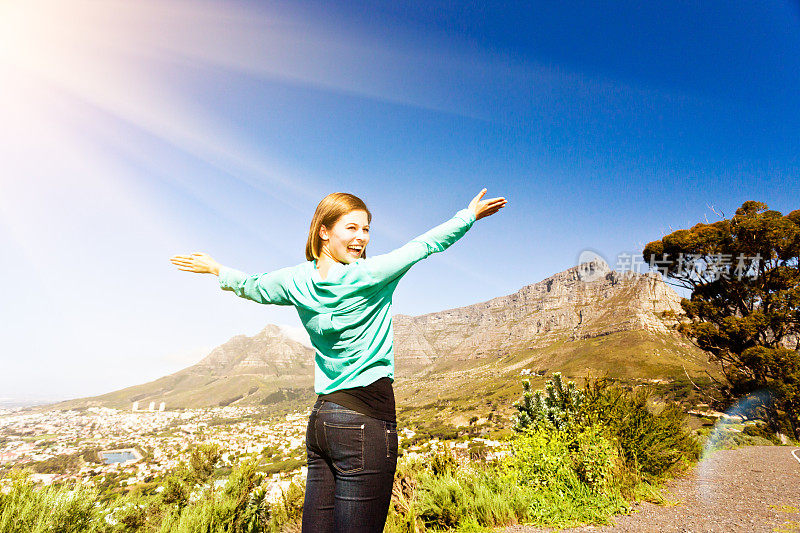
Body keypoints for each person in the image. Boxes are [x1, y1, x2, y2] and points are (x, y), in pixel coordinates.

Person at [169, 188, 506, 532]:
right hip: (365, 421)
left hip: (322, 422)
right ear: (324, 231)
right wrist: (468, 216)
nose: (362, 238)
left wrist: (216, 269)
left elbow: (254, 286)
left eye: (366, 229)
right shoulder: (368, 275)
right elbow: (422, 246)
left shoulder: (296, 280)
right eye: (352, 228)